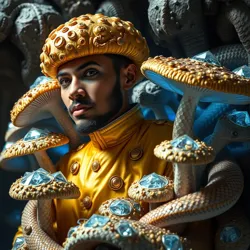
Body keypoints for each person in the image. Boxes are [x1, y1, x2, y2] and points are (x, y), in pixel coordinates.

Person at [13, 13, 175, 245]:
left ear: (128, 77)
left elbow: (195, 237)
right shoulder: (65, 167)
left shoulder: (167, 143)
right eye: (65, 81)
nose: (74, 92)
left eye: (90, 73)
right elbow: (27, 238)